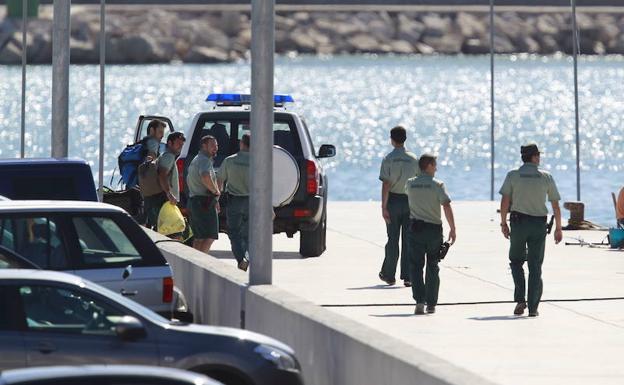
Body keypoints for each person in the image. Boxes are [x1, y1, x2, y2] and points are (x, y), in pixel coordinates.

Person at [499, 143, 563, 317]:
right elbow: (555, 205)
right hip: (538, 226)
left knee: (516, 261)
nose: (539, 158)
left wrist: (503, 223)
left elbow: (505, 201)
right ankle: (533, 308)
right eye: (538, 155)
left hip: (519, 224)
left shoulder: (513, 175)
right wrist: (558, 227)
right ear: (534, 157)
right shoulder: (546, 176)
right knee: (535, 266)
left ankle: (520, 299)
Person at [405, 154, 456, 315]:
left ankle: (419, 301)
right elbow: (446, 206)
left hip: (415, 229)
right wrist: (452, 228)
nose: (436, 168)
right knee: (433, 265)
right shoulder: (438, 185)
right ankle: (431, 303)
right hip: (433, 230)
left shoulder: (410, 183)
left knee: (416, 266)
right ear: (428, 166)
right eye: (435, 165)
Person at [378, 126, 420, 287]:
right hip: (409, 201)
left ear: (392, 139)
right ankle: (408, 276)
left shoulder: (388, 159)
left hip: (393, 201)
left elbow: (386, 184)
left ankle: (389, 274)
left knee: (392, 238)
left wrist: (384, 206)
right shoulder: (413, 159)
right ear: (405, 139)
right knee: (409, 240)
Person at [217, 133, 251, 271]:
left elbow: (219, 180)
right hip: (252, 202)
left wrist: (217, 199)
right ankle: (248, 257)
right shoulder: (259, 162)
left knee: (234, 232)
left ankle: (240, 259)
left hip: (234, 201)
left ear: (241, 144)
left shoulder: (229, 161)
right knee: (250, 234)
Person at [144, 132, 186, 230]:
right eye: (178, 143)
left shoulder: (164, 155)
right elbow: (162, 175)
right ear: (170, 143)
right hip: (166, 201)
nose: (180, 147)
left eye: (182, 145)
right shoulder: (169, 156)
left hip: (161, 199)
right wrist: (169, 194)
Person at [187, 135, 220, 253]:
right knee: (209, 236)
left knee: (199, 237)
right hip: (202, 202)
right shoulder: (204, 160)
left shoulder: (198, 159)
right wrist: (216, 192)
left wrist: (216, 200)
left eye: (216, 146)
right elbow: (205, 176)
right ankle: (202, 261)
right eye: (212, 145)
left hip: (197, 201)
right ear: (204, 146)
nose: (215, 148)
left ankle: (196, 263)